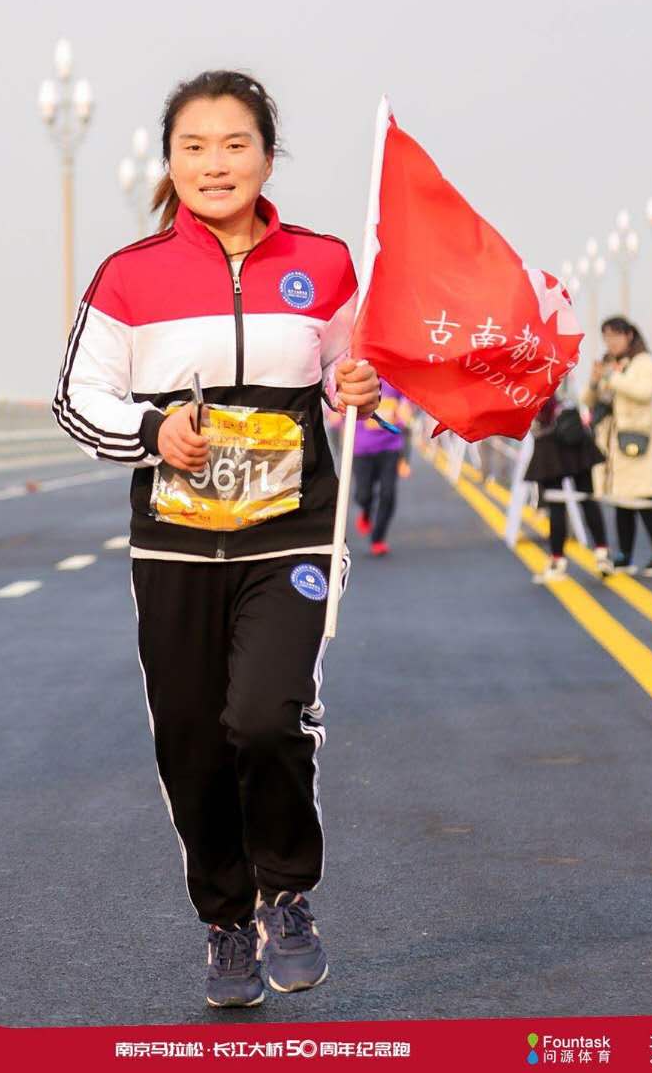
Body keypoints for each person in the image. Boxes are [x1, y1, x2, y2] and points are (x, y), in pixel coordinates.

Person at [52, 70, 380, 1009]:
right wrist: (154, 432)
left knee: (267, 716)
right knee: (192, 738)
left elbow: (349, 370)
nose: (215, 164)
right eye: (193, 148)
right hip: (176, 546)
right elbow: (76, 396)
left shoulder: (325, 263)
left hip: (290, 533)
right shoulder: (129, 275)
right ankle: (227, 920)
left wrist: (355, 385)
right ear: (170, 163)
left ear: (268, 157)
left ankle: (288, 893)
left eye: (235, 144)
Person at [582, 317, 652, 577]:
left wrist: (611, 376)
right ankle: (624, 556)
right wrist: (595, 380)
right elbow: (589, 400)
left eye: (615, 335)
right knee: (622, 500)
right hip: (616, 446)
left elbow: (644, 392)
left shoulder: (645, 363)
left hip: (640, 442)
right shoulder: (610, 365)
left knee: (644, 500)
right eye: (606, 337)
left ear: (630, 335)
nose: (610, 342)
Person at [524, 392, 610, 583]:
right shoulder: (559, 374)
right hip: (574, 431)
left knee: (557, 505)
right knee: (587, 499)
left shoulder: (526, 381)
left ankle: (557, 561)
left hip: (549, 441)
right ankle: (602, 554)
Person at [351, 384, 406, 556]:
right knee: (363, 495)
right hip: (362, 449)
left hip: (390, 447)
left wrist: (403, 412)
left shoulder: (395, 379)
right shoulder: (359, 377)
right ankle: (366, 513)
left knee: (388, 494)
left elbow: (405, 407)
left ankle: (378, 539)